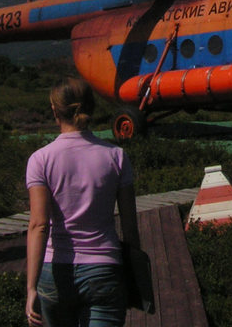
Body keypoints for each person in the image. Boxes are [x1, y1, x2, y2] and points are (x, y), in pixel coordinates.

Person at [25, 77, 140, 327]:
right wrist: (133, 278)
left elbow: (39, 225)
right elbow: (130, 227)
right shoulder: (117, 156)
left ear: (55, 111)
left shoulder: (40, 159)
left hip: (55, 273)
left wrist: (31, 287)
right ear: (91, 107)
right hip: (105, 270)